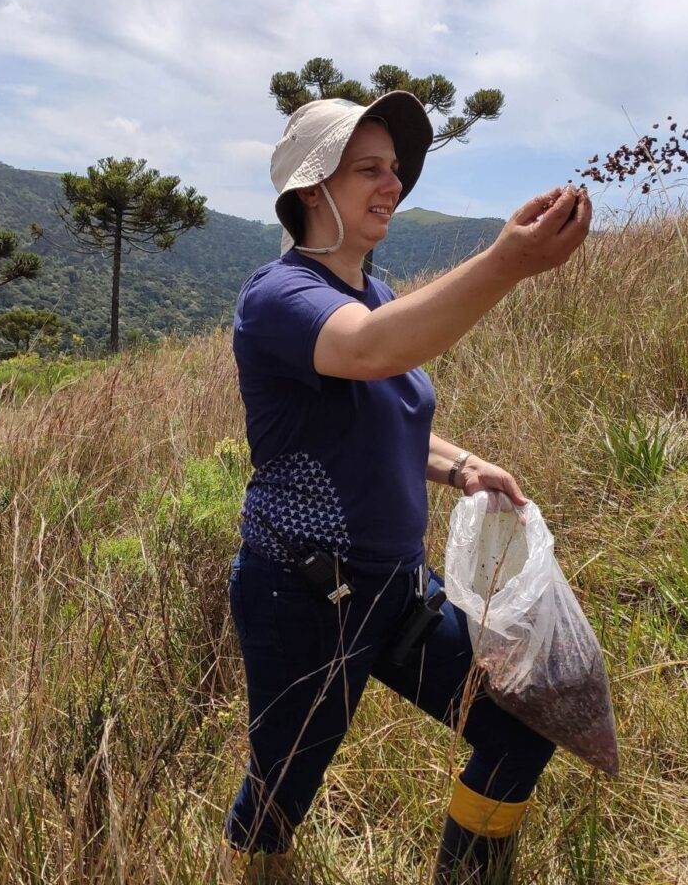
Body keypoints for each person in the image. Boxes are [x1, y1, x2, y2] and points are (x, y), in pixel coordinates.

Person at [222, 91, 592, 883]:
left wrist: (461, 466)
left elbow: (381, 414)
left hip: (394, 586)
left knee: (518, 731)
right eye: (368, 170)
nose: (392, 185)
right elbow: (368, 353)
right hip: (305, 593)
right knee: (282, 791)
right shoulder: (277, 296)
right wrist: (508, 263)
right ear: (310, 189)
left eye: (394, 169)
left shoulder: (377, 294)